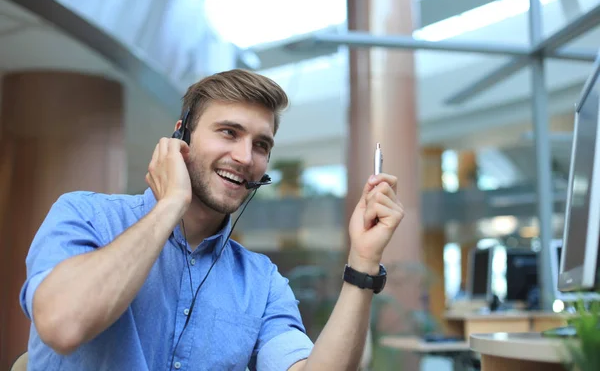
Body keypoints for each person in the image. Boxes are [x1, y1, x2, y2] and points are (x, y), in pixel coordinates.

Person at [19, 69, 405, 370]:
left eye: (261, 145)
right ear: (180, 137)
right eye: (228, 132)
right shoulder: (85, 215)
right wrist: (170, 205)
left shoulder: (261, 282)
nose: (244, 156)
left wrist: (363, 262)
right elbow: (63, 325)